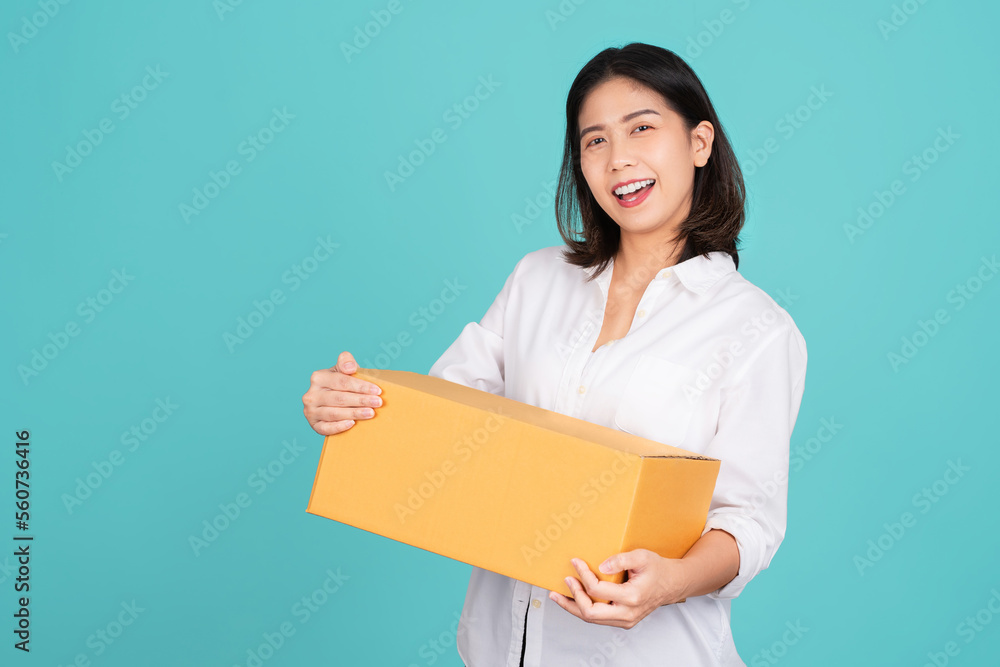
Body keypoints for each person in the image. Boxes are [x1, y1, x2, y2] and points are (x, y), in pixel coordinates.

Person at [303, 42, 807, 666]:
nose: (619, 159)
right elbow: (447, 418)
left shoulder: (755, 329)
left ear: (700, 143)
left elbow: (748, 522)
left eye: (642, 128)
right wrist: (354, 403)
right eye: (593, 141)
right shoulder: (536, 280)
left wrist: (670, 582)